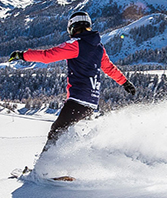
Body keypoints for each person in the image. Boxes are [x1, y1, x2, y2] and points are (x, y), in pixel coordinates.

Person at [9, 11, 136, 153]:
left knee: (56, 132)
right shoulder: (99, 48)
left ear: (72, 28)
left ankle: (47, 168)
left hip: (78, 98)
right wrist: (125, 82)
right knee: (64, 133)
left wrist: (22, 55)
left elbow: (47, 56)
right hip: (91, 102)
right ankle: (67, 164)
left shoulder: (76, 44)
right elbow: (109, 68)